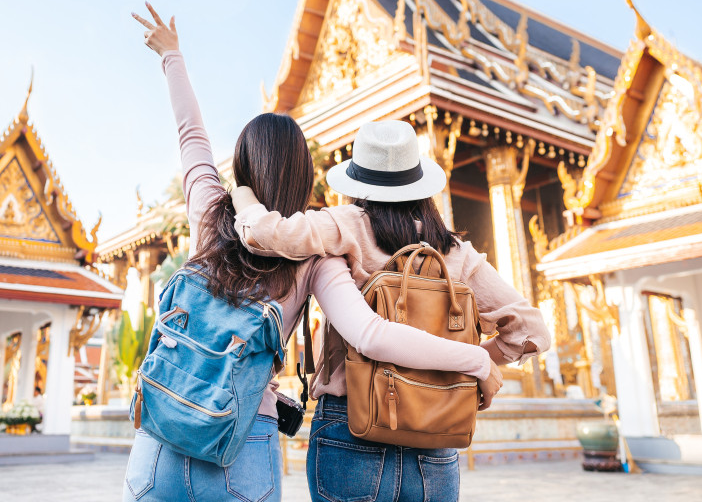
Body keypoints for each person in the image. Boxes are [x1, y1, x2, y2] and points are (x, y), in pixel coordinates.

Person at [124, 3, 505, 502]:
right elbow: (370, 333)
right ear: (304, 175)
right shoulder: (317, 255)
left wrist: (172, 56)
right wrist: (475, 359)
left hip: (161, 434)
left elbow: (190, 135)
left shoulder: (208, 215)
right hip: (240, 441)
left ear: (239, 165)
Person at [230, 122, 552, 502]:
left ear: (358, 183)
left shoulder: (345, 225)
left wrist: (242, 194)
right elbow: (532, 331)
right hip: (435, 434)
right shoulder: (455, 252)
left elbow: (266, 233)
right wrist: (466, 363)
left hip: (353, 426)